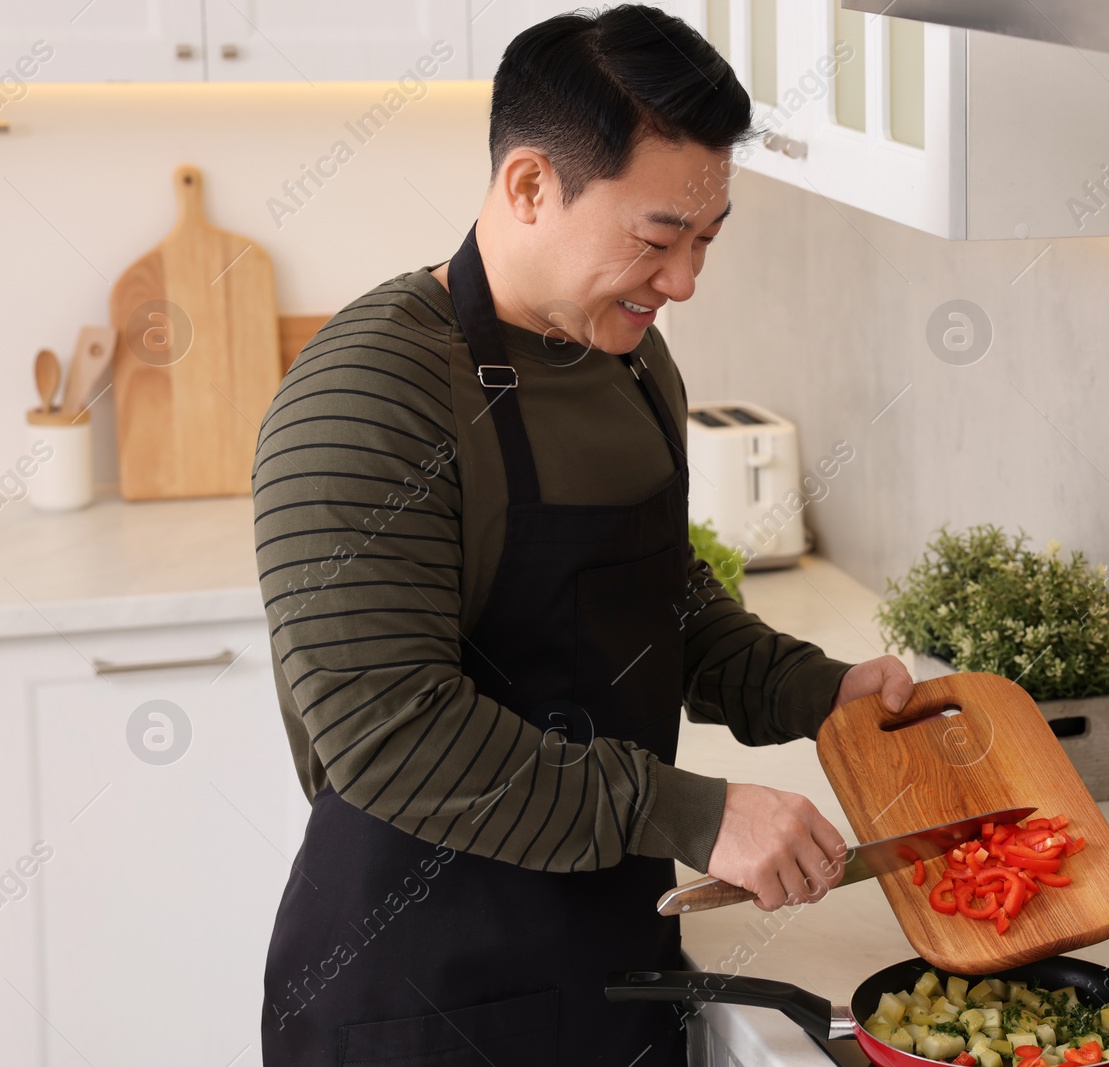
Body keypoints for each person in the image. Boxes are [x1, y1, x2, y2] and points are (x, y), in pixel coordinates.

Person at [252, 7, 913, 1064]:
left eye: (705, 238)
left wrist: (815, 691)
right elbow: (389, 733)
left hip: (611, 966)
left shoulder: (633, 362)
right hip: (419, 992)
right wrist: (695, 810)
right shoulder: (368, 394)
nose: (685, 279)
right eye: (658, 238)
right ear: (528, 186)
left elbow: (664, 604)